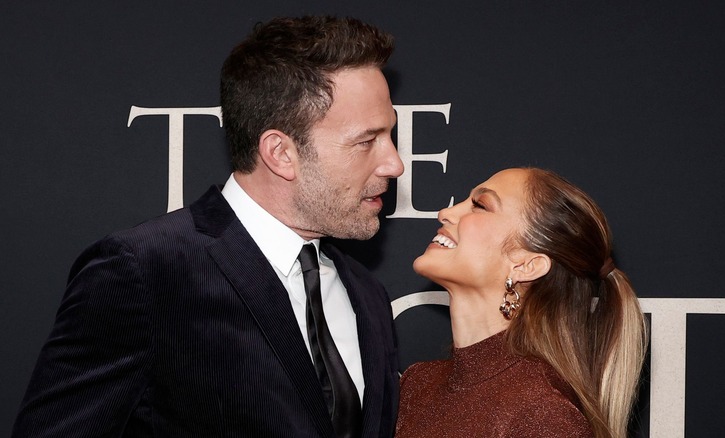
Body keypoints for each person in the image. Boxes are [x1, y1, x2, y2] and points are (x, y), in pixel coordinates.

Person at [13, 16, 403, 438]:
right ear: (280, 153)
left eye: (390, 136)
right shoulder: (143, 272)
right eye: (367, 141)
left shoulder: (366, 293)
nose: (394, 163)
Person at [395, 168, 647, 438]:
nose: (446, 213)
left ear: (527, 265)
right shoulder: (418, 384)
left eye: (480, 205)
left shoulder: (544, 413)